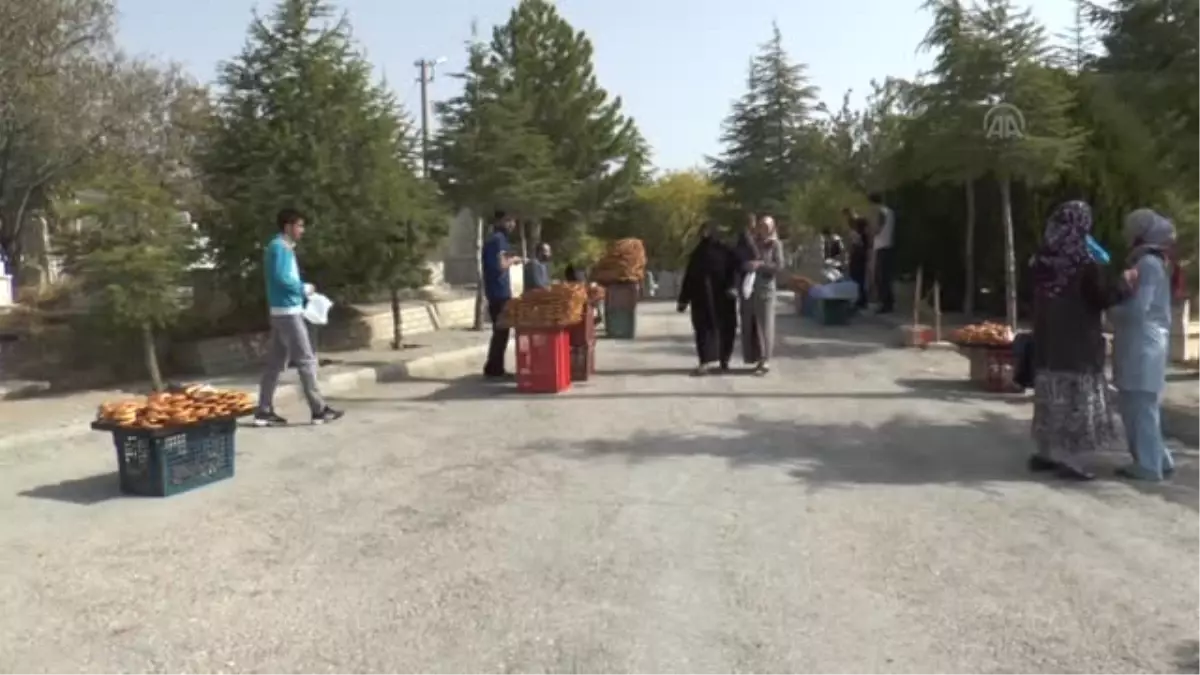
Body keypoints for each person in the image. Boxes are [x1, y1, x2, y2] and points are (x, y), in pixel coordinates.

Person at [1029, 201, 1133, 480]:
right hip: (1077, 343)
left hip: (1048, 339)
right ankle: (1072, 461)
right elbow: (1101, 298)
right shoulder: (1084, 263)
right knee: (1076, 400)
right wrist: (1124, 283)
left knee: (1051, 397)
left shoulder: (1042, 259)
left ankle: (1047, 453)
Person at [254, 208, 344, 426]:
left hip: (281, 311)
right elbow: (283, 278)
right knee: (306, 360)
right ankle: (318, 410)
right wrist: (305, 289)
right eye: (300, 225)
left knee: (275, 363)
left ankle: (263, 410)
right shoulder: (281, 248)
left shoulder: (278, 247)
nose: (302, 230)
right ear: (288, 226)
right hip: (288, 312)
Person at [1111, 208, 1178, 481]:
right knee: (1140, 404)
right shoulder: (1152, 262)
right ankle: (1160, 459)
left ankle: (1149, 466)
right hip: (1144, 342)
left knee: (1139, 406)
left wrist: (1112, 309)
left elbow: (1139, 309)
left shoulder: (1147, 264)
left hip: (1142, 343)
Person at [677, 221, 739, 375]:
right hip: (702, 299)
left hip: (723, 298)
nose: (706, 234)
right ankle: (704, 361)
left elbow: (735, 271)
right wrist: (683, 299)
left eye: (709, 231)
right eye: (703, 231)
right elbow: (689, 277)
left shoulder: (727, 251)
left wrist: (733, 286)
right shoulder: (697, 253)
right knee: (703, 330)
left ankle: (724, 361)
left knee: (726, 329)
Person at [741, 215, 785, 374]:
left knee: (765, 325)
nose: (763, 229)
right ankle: (757, 357)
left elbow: (779, 266)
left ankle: (766, 359)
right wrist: (748, 265)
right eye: (761, 226)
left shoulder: (775, 244)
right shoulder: (754, 243)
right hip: (751, 288)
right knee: (752, 325)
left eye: (767, 227)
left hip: (766, 288)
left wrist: (761, 265)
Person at [482, 211, 521, 378]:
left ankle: (493, 367)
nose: (512, 224)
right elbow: (500, 265)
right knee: (501, 331)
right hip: (498, 292)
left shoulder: (495, 239)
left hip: (497, 290)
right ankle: (494, 369)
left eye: (513, 221)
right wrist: (513, 260)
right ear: (500, 221)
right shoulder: (498, 240)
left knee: (500, 331)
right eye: (509, 221)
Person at [869, 192, 896, 313]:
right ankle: (888, 301)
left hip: (881, 245)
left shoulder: (881, 212)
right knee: (885, 276)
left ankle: (885, 303)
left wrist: (871, 233)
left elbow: (877, 228)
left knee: (880, 276)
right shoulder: (890, 211)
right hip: (888, 244)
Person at [844, 207, 872, 309]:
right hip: (859, 256)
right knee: (859, 278)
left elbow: (857, 244)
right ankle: (861, 299)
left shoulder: (859, 234)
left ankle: (861, 299)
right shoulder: (862, 234)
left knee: (857, 278)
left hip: (858, 257)